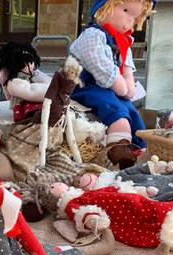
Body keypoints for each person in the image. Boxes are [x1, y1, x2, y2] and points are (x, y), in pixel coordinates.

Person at [69, 0, 155, 168]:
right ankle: (118, 151)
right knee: (116, 109)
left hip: (108, 88)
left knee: (131, 109)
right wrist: (121, 86)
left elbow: (127, 67)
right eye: (125, 11)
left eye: (134, 17)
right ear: (105, 7)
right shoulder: (93, 35)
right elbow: (99, 64)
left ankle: (141, 149)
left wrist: (129, 85)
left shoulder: (122, 41)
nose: (130, 20)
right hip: (84, 85)